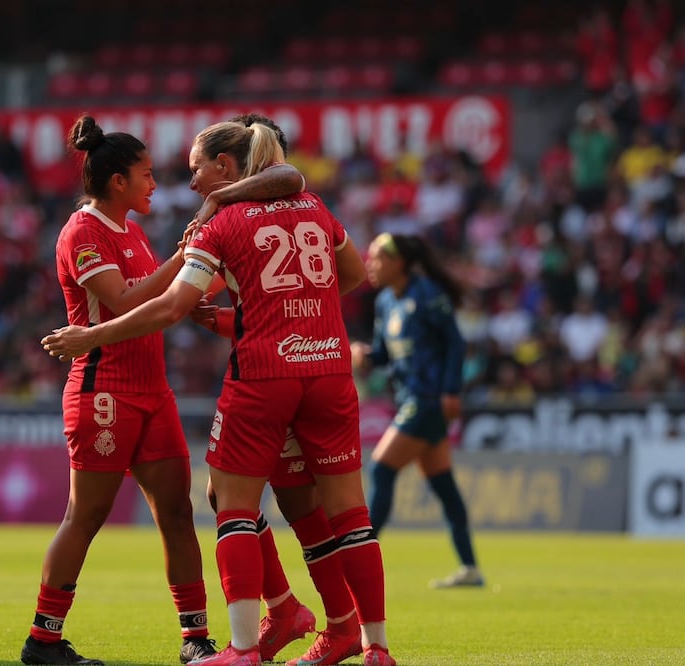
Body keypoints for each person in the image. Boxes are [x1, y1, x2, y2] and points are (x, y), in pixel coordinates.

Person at [42, 121, 395, 666]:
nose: (180, 184)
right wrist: (253, 311)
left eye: (193, 171)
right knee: (336, 513)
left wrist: (204, 277)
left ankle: (242, 642)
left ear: (226, 168)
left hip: (255, 381)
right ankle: (363, 640)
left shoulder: (218, 221)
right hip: (319, 371)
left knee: (225, 506)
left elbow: (169, 304)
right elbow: (339, 274)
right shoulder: (311, 203)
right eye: (152, 174)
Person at [19, 115, 217, 666]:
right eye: (147, 174)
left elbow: (156, 304)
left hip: (153, 391)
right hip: (104, 389)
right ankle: (44, 640)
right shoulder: (82, 232)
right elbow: (127, 302)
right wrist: (184, 258)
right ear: (117, 181)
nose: (155, 184)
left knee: (177, 513)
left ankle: (195, 640)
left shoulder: (131, 230)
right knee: (86, 515)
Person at [190, 113, 362, 665]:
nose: (192, 183)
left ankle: (329, 620)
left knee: (284, 504)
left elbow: (289, 180)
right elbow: (251, 301)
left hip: (278, 376)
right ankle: (304, 612)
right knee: (278, 502)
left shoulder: (255, 209)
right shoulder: (282, 211)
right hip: (299, 368)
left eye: (199, 171)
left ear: (232, 164)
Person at [352, 232, 484, 588]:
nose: (370, 263)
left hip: (427, 400)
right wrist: (364, 354)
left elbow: (455, 344)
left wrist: (451, 391)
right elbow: (383, 355)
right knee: (442, 484)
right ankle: (470, 569)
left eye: (378, 256)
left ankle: (360, 561)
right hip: (409, 397)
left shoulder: (427, 295)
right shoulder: (385, 302)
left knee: (381, 469)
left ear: (399, 262)